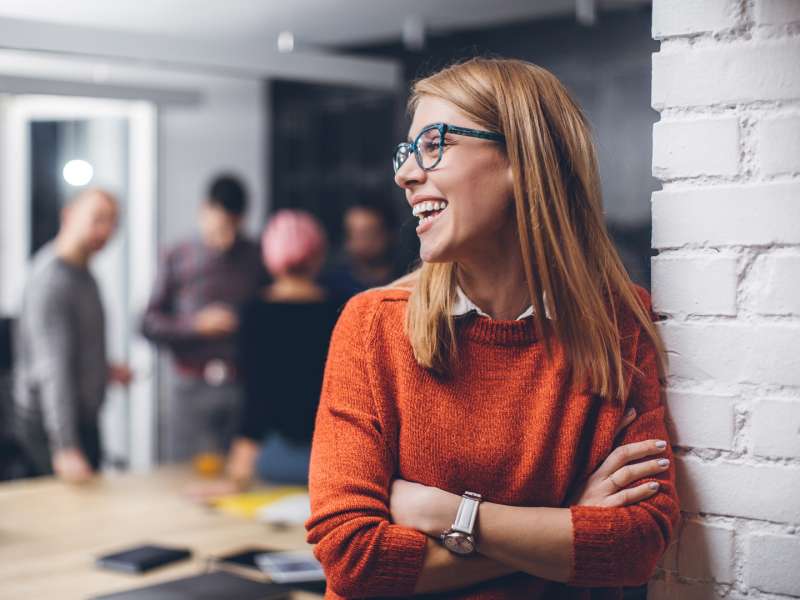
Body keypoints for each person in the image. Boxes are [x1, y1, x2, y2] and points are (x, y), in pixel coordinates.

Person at [304, 58, 679, 599]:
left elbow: (637, 545)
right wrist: (566, 521)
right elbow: (353, 559)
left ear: (522, 161)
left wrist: (448, 513)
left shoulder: (618, 325)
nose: (405, 174)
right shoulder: (373, 326)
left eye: (433, 144)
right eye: (407, 152)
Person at [187, 210, 340, 499]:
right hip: (335, 459)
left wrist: (236, 476)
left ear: (269, 256)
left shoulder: (256, 313)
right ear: (318, 253)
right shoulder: (343, 308)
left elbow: (256, 399)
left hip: (277, 460)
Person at [141, 174, 267, 462]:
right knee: (183, 474)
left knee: (240, 479)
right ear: (204, 210)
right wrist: (196, 325)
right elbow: (148, 323)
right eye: (222, 226)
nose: (228, 237)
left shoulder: (255, 255)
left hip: (241, 385)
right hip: (189, 387)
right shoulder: (177, 255)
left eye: (235, 227)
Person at [14, 188, 132, 483]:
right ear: (68, 216)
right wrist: (65, 446)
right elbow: (52, 369)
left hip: (83, 419)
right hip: (50, 427)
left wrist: (102, 370)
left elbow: (72, 351)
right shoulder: (52, 280)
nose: (106, 230)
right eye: (98, 219)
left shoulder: (86, 276)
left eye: (113, 223)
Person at [320, 201, 404, 301]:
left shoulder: (405, 280)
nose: (360, 241)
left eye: (368, 234)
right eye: (352, 233)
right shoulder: (331, 287)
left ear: (390, 234)